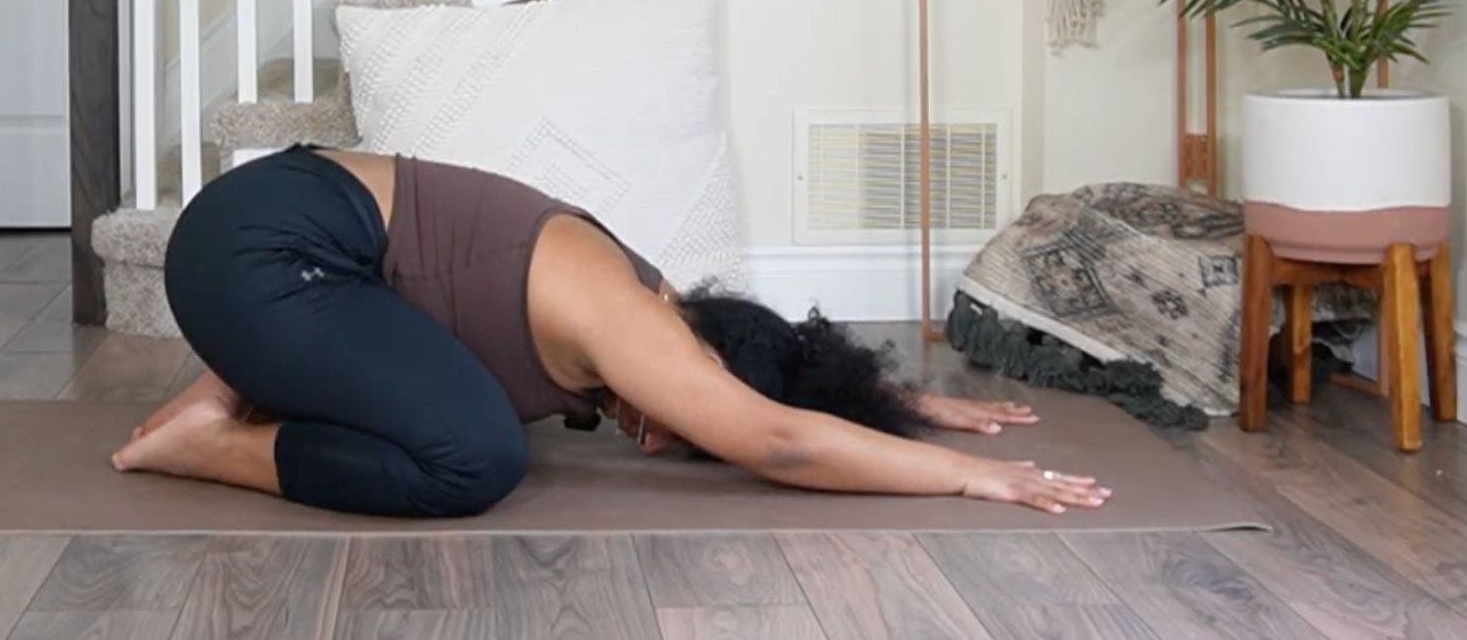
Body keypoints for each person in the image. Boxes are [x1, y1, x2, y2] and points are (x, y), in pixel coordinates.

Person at [112, 145, 1109, 519]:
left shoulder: (657, 292)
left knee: (438, 398)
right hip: (262, 256)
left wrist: (909, 401)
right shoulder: (636, 324)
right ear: (704, 361)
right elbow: (780, 437)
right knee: (475, 457)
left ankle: (240, 379)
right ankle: (212, 441)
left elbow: (795, 390)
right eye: (690, 417)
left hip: (275, 238)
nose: (666, 435)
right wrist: (973, 477)